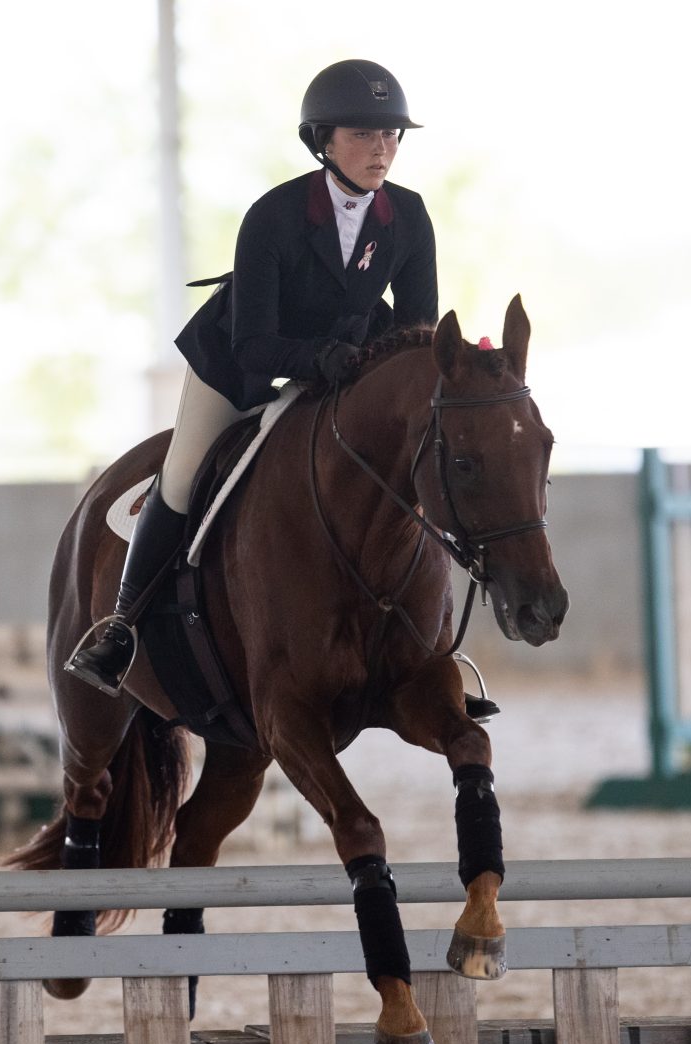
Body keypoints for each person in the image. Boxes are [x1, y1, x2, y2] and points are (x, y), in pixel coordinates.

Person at [65, 58, 438, 696]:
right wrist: (320, 360)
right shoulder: (275, 215)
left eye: (390, 136)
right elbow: (254, 342)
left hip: (342, 372)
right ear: (323, 140)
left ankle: (431, 648)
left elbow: (419, 331)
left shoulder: (407, 215)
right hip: (240, 366)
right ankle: (121, 626)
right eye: (362, 135)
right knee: (182, 478)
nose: (381, 150)